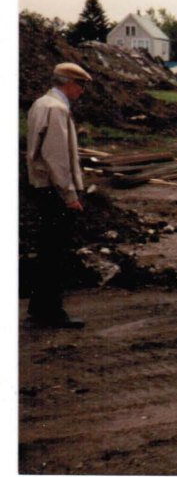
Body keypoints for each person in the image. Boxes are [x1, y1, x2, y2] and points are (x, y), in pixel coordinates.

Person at [25, 62, 93, 329]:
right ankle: (51, 312)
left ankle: (38, 306)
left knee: (46, 250)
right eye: (80, 85)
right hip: (54, 190)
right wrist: (69, 194)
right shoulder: (57, 109)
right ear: (69, 83)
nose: (82, 91)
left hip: (41, 187)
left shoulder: (40, 104)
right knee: (55, 252)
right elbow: (57, 157)